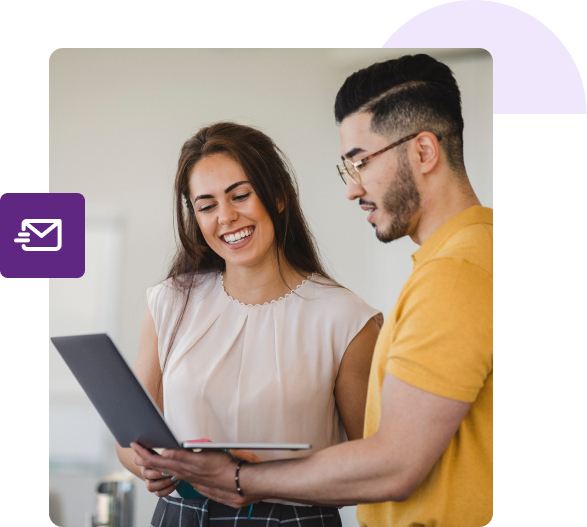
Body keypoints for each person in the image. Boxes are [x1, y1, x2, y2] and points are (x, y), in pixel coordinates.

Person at [131, 54, 494, 527]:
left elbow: (392, 462)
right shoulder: (450, 264)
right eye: (206, 205)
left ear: (424, 152)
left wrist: (242, 479)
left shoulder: (455, 272)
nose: (352, 188)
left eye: (360, 162)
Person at [117, 121, 383, 526]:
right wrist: (147, 466)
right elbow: (128, 438)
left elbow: (375, 466)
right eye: (207, 206)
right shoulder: (168, 303)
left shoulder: (346, 319)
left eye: (240, 195)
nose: (226, 217)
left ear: (278, 195)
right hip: (181, 514)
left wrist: (257, 480)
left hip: (292, 520)